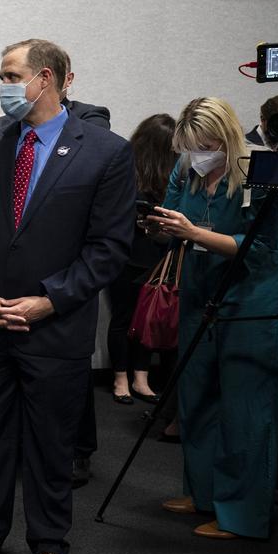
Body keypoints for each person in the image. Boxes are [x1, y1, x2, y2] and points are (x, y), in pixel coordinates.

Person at [0, 38, 134, 554]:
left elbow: (108, 248)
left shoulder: (105, 152)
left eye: (10, 74)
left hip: (54, 325)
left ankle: (50, 547)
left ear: (45, 77)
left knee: (52, 443)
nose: (2, 85)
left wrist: (49, 299)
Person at [148, 97, 278, 540]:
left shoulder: (258, 174)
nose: (197, 156)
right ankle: (203, 492)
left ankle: (240, 515)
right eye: (189, 147)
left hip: (251, 297)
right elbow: (171, 218)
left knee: (245, 408)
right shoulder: (186, 168)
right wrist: (158, 227)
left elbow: (260, 248)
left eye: (205, 145)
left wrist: (196, 233)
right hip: (199, 288)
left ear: (226, 138)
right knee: (197, 396)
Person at [104, 114, 176, 406]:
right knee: (123, 318)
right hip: (126, 254)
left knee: (148, 318)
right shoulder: (125, 171)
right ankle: (121, 378)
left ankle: (141, 377)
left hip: (156, 255)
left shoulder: (172, 175)